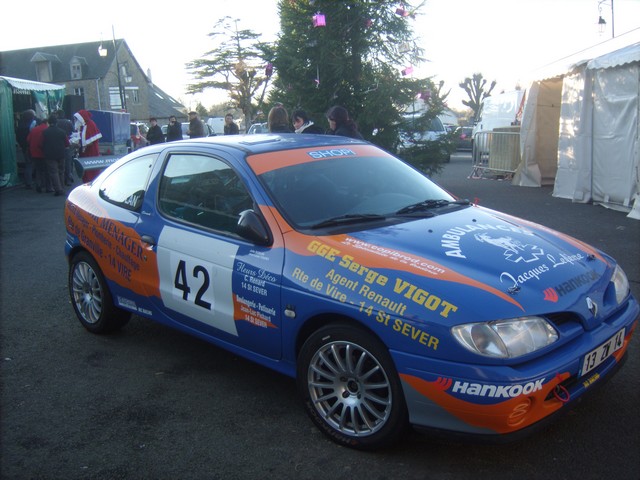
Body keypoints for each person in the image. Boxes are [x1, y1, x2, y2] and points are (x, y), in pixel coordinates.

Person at [42, 113, 69, 196]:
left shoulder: (45, 132)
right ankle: (62, 187)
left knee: (54, 172)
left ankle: (58, 189)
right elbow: (67, 143)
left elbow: (41, 143)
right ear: (56, 122)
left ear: (49, 122)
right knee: (61, 171)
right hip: (61, 154)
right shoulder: (62, 132)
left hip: (49, 155)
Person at [26, 118, 50, 193]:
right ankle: (47, 187)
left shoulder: (34, 130)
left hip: (34, 153)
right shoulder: (47, 129)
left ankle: (38, 185)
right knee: (47, 171)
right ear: (47, 123)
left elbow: (28, 140)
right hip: (45, 153)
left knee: (38, 170)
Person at [16, 109, 37, 188]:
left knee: (28, 164)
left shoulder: (20, 125)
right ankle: (32, 181)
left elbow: (18, 137)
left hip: (24, 147)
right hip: (32, 147)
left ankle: (28, 182)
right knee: (33, 164)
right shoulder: (32, 125)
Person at [55, 110, 74, 185]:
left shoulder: (55, 123)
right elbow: (73, 132)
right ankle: (68, 180)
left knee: (57, 164)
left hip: (56, 145)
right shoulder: (68, 122)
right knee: (68, 163)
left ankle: (59, 181)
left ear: (57, 115)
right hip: (67, 145)